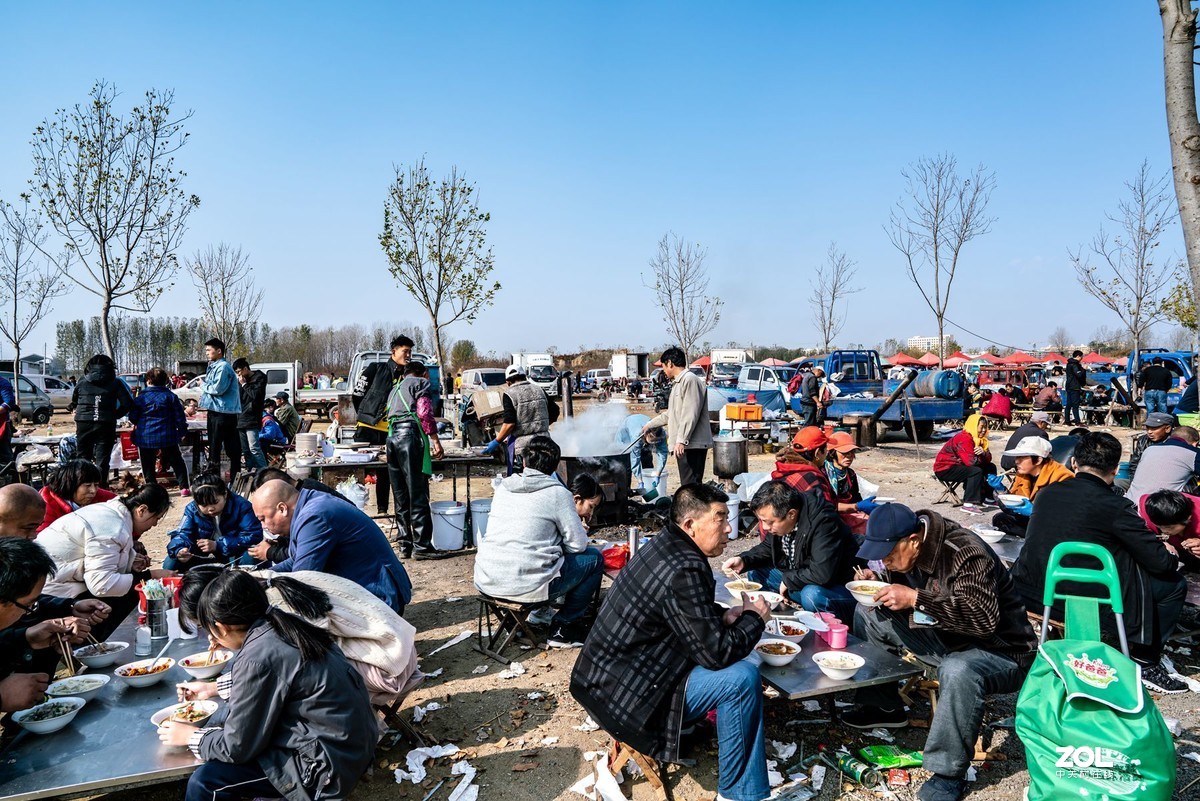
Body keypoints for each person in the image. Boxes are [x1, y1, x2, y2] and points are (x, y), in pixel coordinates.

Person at [571, 484, 772, 801]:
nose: (729, 528)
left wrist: (723, 616)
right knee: (741, 679)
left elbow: (679, 612)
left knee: (737, 658)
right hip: (627, 699)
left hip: (600, 683)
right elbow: (716, 655)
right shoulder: (685, 566)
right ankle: (738, 794)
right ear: (690, 524)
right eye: (720, 518)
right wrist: (754, 619)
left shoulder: (666, 544)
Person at [841, 504, 1036, 801]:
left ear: (913, 540)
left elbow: (983, 620)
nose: (885, 561)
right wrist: (882, 582)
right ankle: (882, 706)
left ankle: (947, 773)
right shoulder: (909, 552)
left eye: (889, 554)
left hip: (1001, 651)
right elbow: (911, 593)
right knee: (869, 613)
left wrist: (916, 598)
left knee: (958, 669)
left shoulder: (965, 552)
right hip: (946, 638)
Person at [157, 570, 376, 801]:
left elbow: (236, 747)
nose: (211, 639)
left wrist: (193, 736)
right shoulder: (281, 622)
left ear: (221, 627)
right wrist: (212, 688)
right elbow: (279, 679)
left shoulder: (258, 655)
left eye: (208, 629)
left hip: (323, 768)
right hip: (350, 746)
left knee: (207, 781)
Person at [1011, 431, 1188, 694]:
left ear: (1074, 463)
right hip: (1084, 604)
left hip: (1031, 592)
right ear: (1115, 470)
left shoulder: (1047, 493)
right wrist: (1169, 553)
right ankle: (1145, 661)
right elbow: (1160, 563)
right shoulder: (1116, 506)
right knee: (1173, 585)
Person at [177, 564, 422, 708]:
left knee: (291, 691)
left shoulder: (275, 605)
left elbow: (276, 671)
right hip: (396, 644)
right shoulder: (260, 583)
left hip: (389, 663)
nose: (210, 633)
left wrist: (213, 687)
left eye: (207, 624)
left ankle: (357, 738)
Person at [475, 436, 603, 648]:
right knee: (594, 559)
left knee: (538, 557)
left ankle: (526, 618)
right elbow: (578, 546)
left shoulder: (503, 487)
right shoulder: (559, 494)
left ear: (525, 462)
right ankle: (563, 628)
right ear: (554, 467)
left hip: (486, 579)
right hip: (523, 585)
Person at [251, 479, 412, 615]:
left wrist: (263, 588)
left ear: (282, 509)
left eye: (263, 519)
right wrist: (259, 577)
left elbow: (302, 580)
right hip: (370, 590)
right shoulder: (308, 505)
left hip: (381, 600)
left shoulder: (314, 516)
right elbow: (296, 560)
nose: (263, 526)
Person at [37, 483, 175, 641]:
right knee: (129, 599)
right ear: (141, 510)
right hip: (52, 592)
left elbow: (97, 558)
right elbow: (102, 585)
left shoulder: (112, 513)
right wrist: (149, 576)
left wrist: (130, 561)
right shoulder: (112, 527)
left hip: (58, 579)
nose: (155, 524)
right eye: (156, 518)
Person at [723, 480, 858, 622]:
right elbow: (768, 547)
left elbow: (822, 573)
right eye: (762, 521)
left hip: (834, 587)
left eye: (769, 522)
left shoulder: (824, 521)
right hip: (801, 577)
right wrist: (743, 560)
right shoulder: (783, 514)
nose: (765, 527)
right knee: (756, 572)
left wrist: (788, 581)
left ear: (791, 514)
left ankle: (831, 626)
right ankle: (773, 616)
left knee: (811, 595)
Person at [385, 361, 444, 558]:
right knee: (417, 491)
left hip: (392, 439)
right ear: (424, 373)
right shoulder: (420, 383)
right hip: (409, 438)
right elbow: (424, 413)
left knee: (400, 494)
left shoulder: (394, 389)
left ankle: (405, 545)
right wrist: (436, 441)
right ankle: (422, 546)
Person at [351, 335, 414, 516]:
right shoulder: (375, 368)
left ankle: (382, 512)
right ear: (394, 351)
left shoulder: (408, 375)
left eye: (410, 352)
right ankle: (355, 513)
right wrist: (367, 415)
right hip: (367, 429)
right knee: (358, 472)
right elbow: (357, 395)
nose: (408, 355)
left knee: (386, 473)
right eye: (405, 351)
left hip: (391, 431)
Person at [641, 347, 713, 487]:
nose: (663, 370)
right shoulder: (678, 383)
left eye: (663, 366)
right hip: (685, 444)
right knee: (688, 487)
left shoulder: (690, 380)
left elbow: (690, 413)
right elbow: (671, 414)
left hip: (692, 444)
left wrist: (681, 440)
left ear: (670, 363)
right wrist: (650, 425)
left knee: (690, 487)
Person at [165, 473, 263, 572]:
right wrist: (180, 550)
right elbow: (183, 533)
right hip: (200, 557)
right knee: (171, 562)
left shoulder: (242, 506)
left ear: (225, 494)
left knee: (251, 556)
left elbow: (253, 536)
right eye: (204, 505)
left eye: (215, 502)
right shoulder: (192, 509)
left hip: (233, 555)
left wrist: (218, 545)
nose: (210, 509)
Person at [69, 354, 135, 488]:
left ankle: (82, 488)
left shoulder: (82, 380)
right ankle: (100, 489)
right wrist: (115, 415)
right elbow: (127, 403)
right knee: (103, 459)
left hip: (84, 421)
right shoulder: (115, 382)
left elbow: (74, 400)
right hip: (105, 423)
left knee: (82, 458)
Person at [989, 436, 1073, 537]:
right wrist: (1001, 490)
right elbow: (1011, 508)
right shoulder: (1022, 474)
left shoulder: (1062, 477)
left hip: (1051, 525)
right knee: (1000, 519)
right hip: (1032, 520)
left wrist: (1036, 511)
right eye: (1017, 457)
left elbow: (1065, 515)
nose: (1017, 461)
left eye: (1022, 457)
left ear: (1038, 460)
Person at [485, 364, 561, 471]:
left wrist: (496, 441)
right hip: (544, 445)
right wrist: (542, 424)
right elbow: (555, 411)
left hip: (524, 449)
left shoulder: (509, 394)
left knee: (524, 477)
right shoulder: (539, 390)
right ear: (524, 376)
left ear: (508, 382)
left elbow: (509, 423)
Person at [129, 367, 190, 491]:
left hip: (146, 437)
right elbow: (180, 417)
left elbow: (133, 418)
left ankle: (152, 489)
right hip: (168, 435)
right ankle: (184, 487)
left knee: (147, 464)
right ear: (165, 381)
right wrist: (182, 432)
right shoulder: (171, 396)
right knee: (177, 461)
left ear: (148, 381)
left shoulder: (140, 398)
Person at [933, 414, 997, 515]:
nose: (984, 430)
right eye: (981, 427)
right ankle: (968, 504)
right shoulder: (964, 438)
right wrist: (982, 455)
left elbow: (987, 460)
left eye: (985, 427)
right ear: (973, 426)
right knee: (976, 471)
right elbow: (971, 462)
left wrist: (984, 453)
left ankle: (988, 498)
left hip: (960, 465)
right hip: (945, 468)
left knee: (990, 467)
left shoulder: (980, 440)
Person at [199, 338, 242, 477]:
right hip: (218, 411)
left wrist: (202, 384)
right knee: (219, 448)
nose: (207, 353)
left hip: (222, 413)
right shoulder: (215, 366)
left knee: (219, 449)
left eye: (209, 350)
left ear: (219, 351)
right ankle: (221, 477)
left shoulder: (223, 367)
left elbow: (218, 389)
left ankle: (221, 479)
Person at [1124, 424, 1200, 502]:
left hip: (1130, 502)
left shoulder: (1149, 449)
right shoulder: (1193, 453)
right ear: (1195, 444)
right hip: (1157, 506)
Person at [38, 459, 117, 532]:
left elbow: (119, 504)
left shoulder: (102, 497)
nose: (93, 491)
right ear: (70, 485)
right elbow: (41, 537)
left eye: (96, 485)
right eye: (87, 485)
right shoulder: (45, 506)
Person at [823, 431, 879, 534]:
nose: (849, 456)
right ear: (832, 453)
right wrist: (856, 506)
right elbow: (825, 505)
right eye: (844, 453)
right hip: (828, 517)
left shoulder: (850, 474)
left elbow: (856, 499)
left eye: (852, 452)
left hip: (848, 515)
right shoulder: (823, 473)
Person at [771, 426, 837, 504]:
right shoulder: (814, 480)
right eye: (826, 449)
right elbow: (826, 508)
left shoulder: (782, 470)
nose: (827, 452)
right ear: (817, 453)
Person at [1139, 490, 1200, 572]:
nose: (1164, 531)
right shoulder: (1148, 509)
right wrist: (1159, 543)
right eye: (1159, 526)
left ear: (1188, 518)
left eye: (1170, 528)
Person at [1125, 411, 1176, 491]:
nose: (1149, 432)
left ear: (1167, 429)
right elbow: (1134, 465)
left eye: (1154, 428)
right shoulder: (1143, 441)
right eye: (1148, 428)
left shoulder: (1176, 443)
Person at [616, 412, 668, 489]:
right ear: (646, 434)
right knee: (627, 465)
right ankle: (626, 490)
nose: (655, 444)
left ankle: (649, 487)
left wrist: (657, 474)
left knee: (647, 460)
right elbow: (635, 459)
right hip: (625, 436)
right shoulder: (636, 436)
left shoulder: (661, 434)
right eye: (652, 441)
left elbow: (663, 453)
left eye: (656, 442)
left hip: (643, 431)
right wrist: (640, 481)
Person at [234, 358, 268, 472]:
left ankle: (264, 471)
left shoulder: (259, 378)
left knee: (254, 448)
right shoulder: (240, 381)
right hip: (240, 417)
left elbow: (256, 395)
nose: (238, 374)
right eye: (236, 372)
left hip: (252, 417)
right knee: (246, 450)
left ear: (245, 368)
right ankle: (250, 472)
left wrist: (244, 384)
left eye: (239, 371)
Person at [1064, 350, 1087, 425]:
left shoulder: (1068, 364)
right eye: (1081, 357)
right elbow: (1079, 375)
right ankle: (1077, 421)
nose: (1082, 359)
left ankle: (1067, 421)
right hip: (1074, 386)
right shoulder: (1074, 364)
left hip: (1069, 386)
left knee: (1068, 404)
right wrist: (1084, 369)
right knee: (1075, 405)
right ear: (1078, 356)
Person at [0, 372, 15, 471]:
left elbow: (8, 403)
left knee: (5, 458)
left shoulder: (3, 383)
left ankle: (9, 477)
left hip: (2, 425)